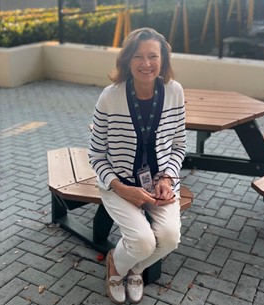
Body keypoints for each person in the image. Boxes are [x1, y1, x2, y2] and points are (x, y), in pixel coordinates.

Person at [88, 27, 186, 304]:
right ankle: (115, 267)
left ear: (163, 60)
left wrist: (167, 178)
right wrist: (120, 188)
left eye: (153, 56)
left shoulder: (174, 92)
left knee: (169, 238)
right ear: (127, 61)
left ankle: (133, 269)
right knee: (143, 241)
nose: (146, 64)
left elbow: (179, 145)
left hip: (159, 185)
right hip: (118, 184)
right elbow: (96, 154)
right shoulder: (110, 96)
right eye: (138, 57)